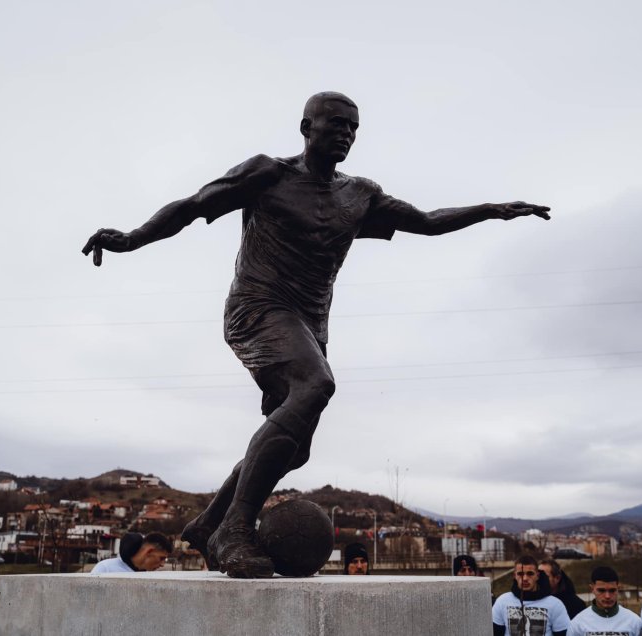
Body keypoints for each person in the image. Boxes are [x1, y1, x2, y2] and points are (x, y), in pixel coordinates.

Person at [83, 91, 551, 579]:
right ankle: (235, 528)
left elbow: (428, 223)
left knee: (297, 445)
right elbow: (192, 206)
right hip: (257, 308)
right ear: (306, 128)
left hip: (310, 323)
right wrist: (131, 239)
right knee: (315, 385)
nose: (345, 133)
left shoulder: (360, 194)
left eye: (353, 127)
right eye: (335, 124)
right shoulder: (268, 174)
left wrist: (494, 209)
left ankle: (209, 523)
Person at [492, 554, 569, 636]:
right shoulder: (502, 601)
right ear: (514, 576)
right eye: (520, 574)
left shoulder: (555, 605)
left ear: (537, 576)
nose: (525, 578)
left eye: (530, 574)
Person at [567, 566, 641, 636]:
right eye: (601, 590)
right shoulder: (578, 623)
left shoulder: (634, 622)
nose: (607, 596)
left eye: (612, 590)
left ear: (618, 589)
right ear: (592, 589)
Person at [90, 531, 172, 574]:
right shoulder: (106, 568)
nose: (162, 564)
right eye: (161, 558)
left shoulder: (148, 576)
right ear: (149, 551)